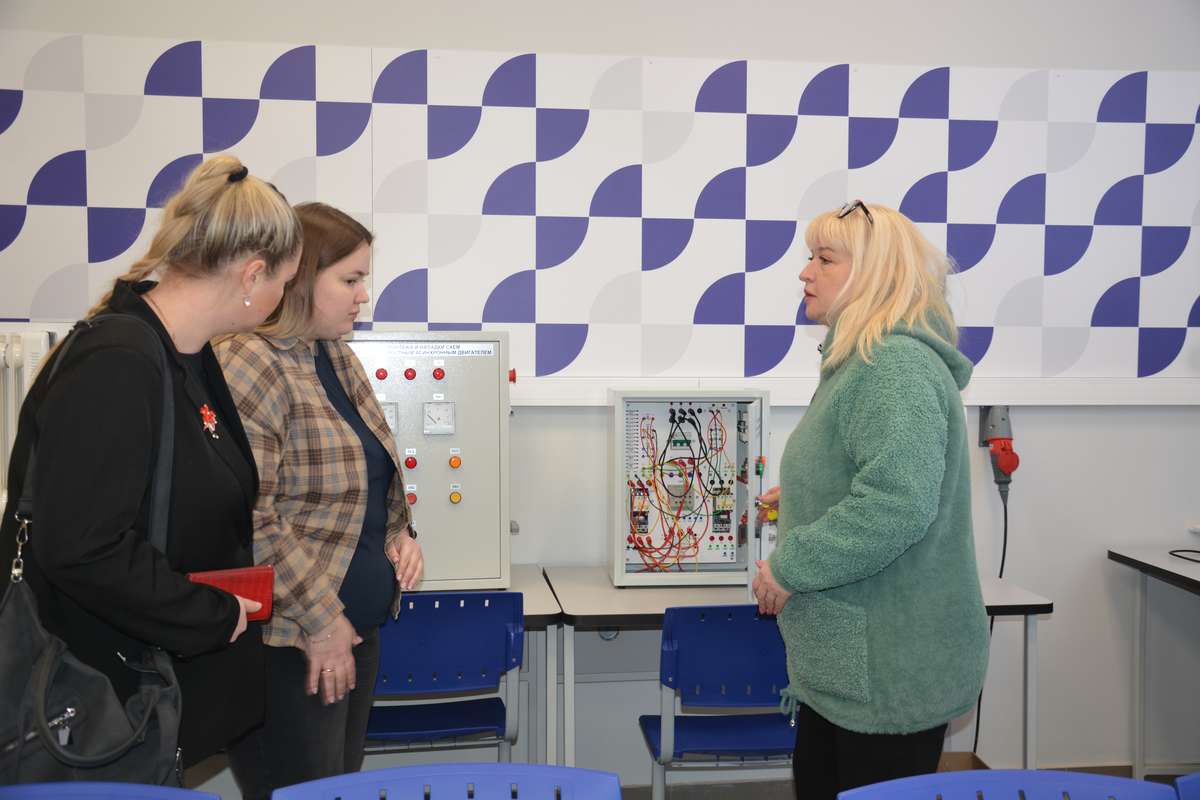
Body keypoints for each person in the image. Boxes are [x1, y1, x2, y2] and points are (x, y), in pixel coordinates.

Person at [0, 155, 302, 768]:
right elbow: (84, 546)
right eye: (284, 283)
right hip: (96, 700)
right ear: (252, 274)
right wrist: (209, 614)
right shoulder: (119, 362)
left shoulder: (183, 356)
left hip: (146, 689)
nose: (282, 300)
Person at [751, 201, 989, 799]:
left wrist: (787, 567)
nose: (805, 272)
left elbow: (896, 505)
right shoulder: (861, 361)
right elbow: (875, 476)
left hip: (886, 671)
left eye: (824, 259)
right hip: (853, 669)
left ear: (875, 273)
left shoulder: (892, 366)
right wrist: (806, 494)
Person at [216, 202, 424, 800]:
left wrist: (399, 533)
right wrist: (323, 619)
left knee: (337, 789)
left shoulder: (334, 355)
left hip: (351, 630)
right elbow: (251, 515)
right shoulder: (250, 361)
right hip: (295, 640)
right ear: (302, 278)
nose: (363, 296)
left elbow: (369, 471)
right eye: (351, 279)